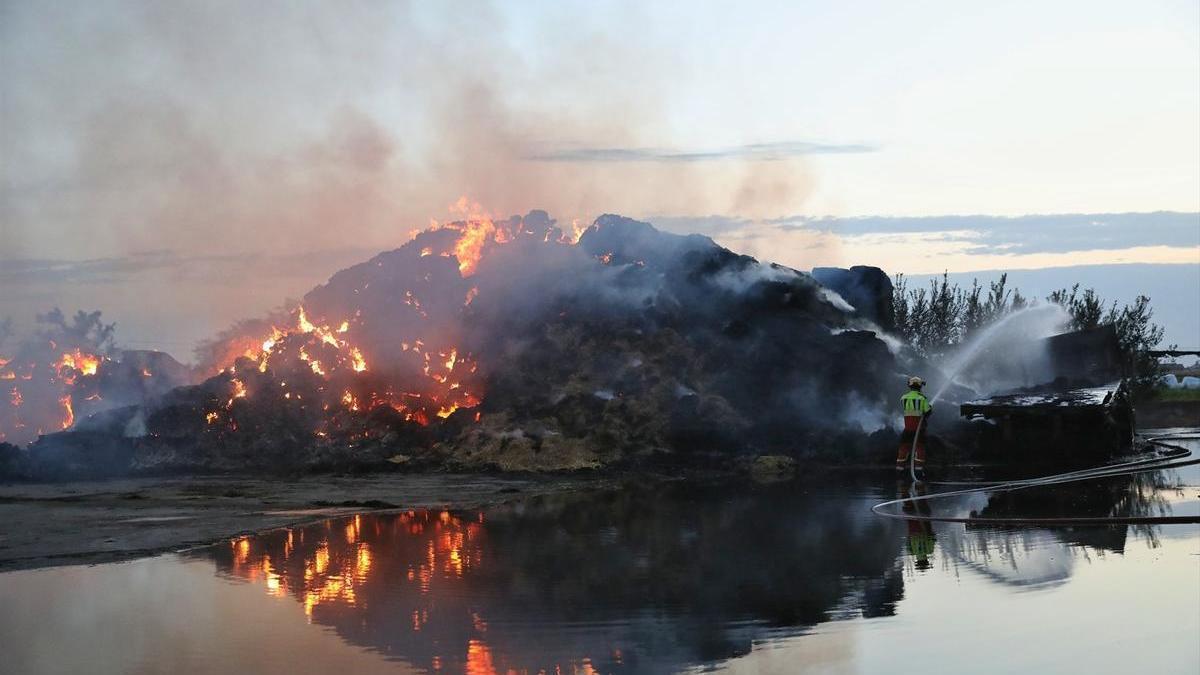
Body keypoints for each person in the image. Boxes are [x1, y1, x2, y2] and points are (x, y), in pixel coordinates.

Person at [896, 376, 932, 471]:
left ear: (910, 385)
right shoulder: (922, 398)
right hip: (919, 430)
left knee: (903, 448)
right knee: (920, 449)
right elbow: (927, 411)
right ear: (920, 386)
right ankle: (919, 471)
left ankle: (899, 470)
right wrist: (930, 408)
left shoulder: (903, 398)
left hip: (907, 429)